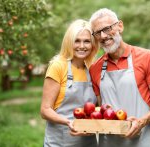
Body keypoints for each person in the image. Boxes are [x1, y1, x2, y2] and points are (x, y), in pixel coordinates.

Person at [89, 8, 150, 147]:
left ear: (120, 26)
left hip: (143, 141)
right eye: (97, 33)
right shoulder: (95, 68)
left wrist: (141, 122)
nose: (103, 36)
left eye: (107, 29)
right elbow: (99, 108)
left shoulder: (147, 57)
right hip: (108, 143)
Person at [40, 19, 99, 147]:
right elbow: (45, 110)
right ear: (69, 42)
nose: (82, 46)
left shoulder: (92, 69)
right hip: (61, 141)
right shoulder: (58, 66)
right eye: (77, 41)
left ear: (93, 44)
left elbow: (97, 108)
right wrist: (69, 122)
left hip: (88, 142)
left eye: (87, 41)